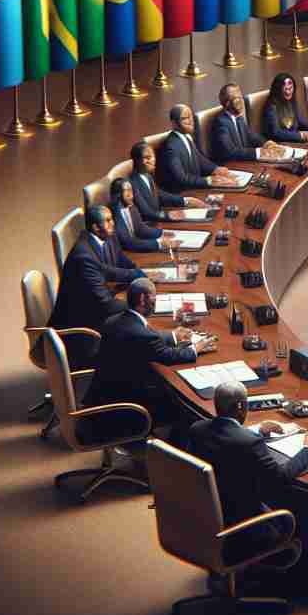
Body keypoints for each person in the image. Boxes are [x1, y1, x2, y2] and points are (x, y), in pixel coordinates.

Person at [185, 380, 308, 531]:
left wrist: (257, 431)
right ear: (241, 406)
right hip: (240, 523)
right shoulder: (250, 443)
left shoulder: (197, 429)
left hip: (205, 511)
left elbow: (227, 438)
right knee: (296, 519)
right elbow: (281, 477)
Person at [85, 278, 216, 434]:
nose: (156, 302)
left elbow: (145, 337)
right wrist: (196, 348)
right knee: (179, 405)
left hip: (102, 392)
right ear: (142, 299)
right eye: (154, 297)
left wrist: (173, 336)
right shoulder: (141, 334)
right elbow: (167, 356)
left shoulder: (115, 320)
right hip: (124, 405)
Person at [48, 205, 143, 340]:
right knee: (137, 333)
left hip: (101, 306)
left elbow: (120, 261)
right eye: (108, 220)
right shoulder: (84, 257)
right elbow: (106, 305)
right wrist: (140, 302)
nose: (113, 223)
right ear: (96, 227)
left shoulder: (107, 235)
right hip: (83, 328)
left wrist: (140, 275)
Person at [159, 104, 234, 191]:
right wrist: (208, 180)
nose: (190, 121)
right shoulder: (171, 147)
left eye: (191, 117)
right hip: (186, 193)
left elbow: (200, 160)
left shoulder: (187, 137)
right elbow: (181, 178)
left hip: (196, 187)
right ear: (174, 123)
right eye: (185, 118)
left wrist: (216, 169)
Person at [129, 140, 204, 223]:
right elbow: (146, 213)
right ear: (137, 161)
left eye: (151, 157)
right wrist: (168, 215)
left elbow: (160, 195)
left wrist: (186, 200)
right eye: (146, 158)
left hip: (160, 220)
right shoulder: (132, 183)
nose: (150, 161)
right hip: (151, 225)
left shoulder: (147, 176)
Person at [209, 83, 278, 163]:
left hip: (244, 161)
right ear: (227, 103)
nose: (242, 102)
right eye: (237, 98)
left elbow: (251, 135)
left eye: (241, 97)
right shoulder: (220, 123)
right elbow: (230, 152)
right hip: (230, 166)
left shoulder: (238, 117)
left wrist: (266, 143)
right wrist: (259, 152)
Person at [109, 178, 176, 255]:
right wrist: (158, 244)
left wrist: (161, 233)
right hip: (127, 253)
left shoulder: (131, 206)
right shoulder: (114, 214)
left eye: (131, 190)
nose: (131, 194)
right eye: (127, 190)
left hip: (137, 246)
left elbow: (140, 228)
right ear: (117, 194)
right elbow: (128, 243)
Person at [261, 73, 308, 143]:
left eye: (290, 88)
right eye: (285, 89)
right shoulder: (271, 106)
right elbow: (276, 132)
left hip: (294, 140)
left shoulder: (291, 100)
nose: (288, 92)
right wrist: (301, 135)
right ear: (278, 90)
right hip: (281, 144)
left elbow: (300, 119)